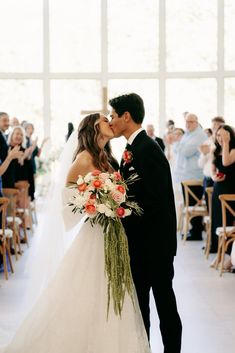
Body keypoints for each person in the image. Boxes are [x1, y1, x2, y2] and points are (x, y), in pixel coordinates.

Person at [3, 113, 150, 353]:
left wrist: (112, 202)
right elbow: (68, 196)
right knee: (92, 287)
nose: (110, 122)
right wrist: (93, 203)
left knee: (112, 284)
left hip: (112, 229)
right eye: (104, 119)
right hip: (95, 232)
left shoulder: (105, 157)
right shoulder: (84, 158)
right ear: (93, 128)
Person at [109, 93, 182, 353]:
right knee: (140, 307)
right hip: (140, 244)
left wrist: (118, 210)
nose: (111, 121)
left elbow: (155, 201)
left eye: (113, 116)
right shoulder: (131, 148)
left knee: (164, 304)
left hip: (155, 246)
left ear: (126, 116)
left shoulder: (147, 149)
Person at [210, 125, 235, 257]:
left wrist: (226, 142)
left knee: (227, 219)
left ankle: (227, 251)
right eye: (218, 135)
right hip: (218, 187)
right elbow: (212, 169)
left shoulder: (233, 150)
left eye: (224, 135)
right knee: (217, 216)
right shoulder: (216, 151)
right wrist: (214, 176)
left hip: (231, 188)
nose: (221, 138)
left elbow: (225, 163)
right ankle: (216, 246)